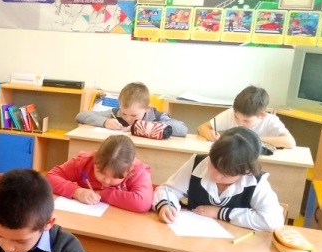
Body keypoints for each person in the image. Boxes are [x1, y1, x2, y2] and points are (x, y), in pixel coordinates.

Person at [153, 127, 284, 232]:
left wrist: (220, 212)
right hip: (191, 238)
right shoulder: (199, 163)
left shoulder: (255, 182)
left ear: (246, 171)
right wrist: (166, 205)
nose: (215, 175)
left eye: (224, 174)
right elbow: (168, 189)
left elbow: (273, 221)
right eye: (213, 165)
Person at [47, 135, 152, 213]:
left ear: (130, 169)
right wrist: (77, 192)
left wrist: (101, 194)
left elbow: (142, 203)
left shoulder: (137, 171)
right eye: (102, 173)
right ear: (95, 159)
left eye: (115, 177)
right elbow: (50, 177)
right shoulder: (84, 161)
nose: (106, 180)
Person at [197, 86, 296, 149]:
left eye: (246, 121)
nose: (240, 124)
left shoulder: (270, 120)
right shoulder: (230, 113)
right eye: (236, 118)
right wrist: (210, 134)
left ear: (262, 115)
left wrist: (252, 139)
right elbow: (202, 127)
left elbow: (290, 142)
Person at [76, 82, 187, 137]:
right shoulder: (116, 113)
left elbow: (182, 129)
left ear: (147, 108)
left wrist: (143, 127)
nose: (128, 119)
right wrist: (105, 122)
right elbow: (81, 116)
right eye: (124, 113)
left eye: (134, 115)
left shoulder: (157, 116)